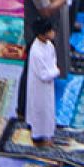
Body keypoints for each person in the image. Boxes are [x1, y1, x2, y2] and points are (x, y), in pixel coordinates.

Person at [25, 16, 61, 145]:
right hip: (40, 86)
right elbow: (44, 74)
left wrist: (54, 70)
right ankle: (38, 137)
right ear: (42, 33)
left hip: (48, 84)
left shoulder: (49, 45)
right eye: (50, 30)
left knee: (47, 109)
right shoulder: (36, 52)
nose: (53, 32)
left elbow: (52, 61)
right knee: (40, 109)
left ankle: (45, 132)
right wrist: (56, 72)